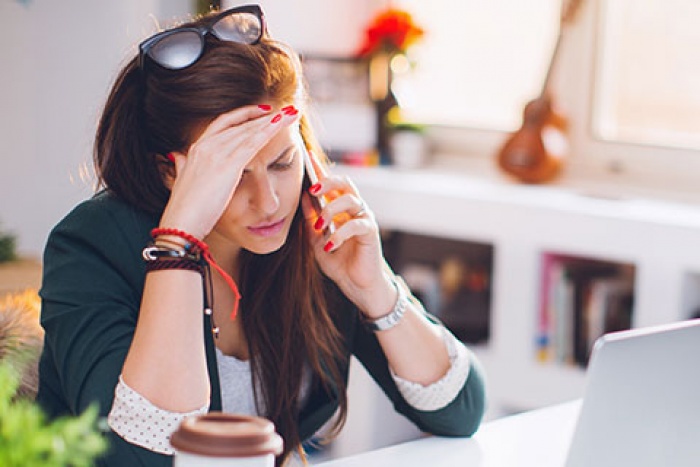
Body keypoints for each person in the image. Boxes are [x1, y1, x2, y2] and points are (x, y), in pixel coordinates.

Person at [36, 4, 486, 466]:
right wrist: (178, 245)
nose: (269, 202)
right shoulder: (91, 245)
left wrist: (374, 289)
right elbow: (136, 459)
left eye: (283, 163)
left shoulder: (317, 234)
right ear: (171, 174)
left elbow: (461, 412)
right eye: (233, 175)